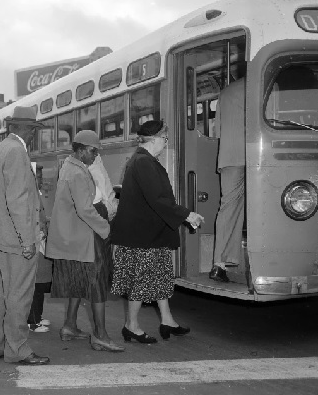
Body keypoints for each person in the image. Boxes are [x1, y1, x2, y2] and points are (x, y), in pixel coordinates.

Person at [111, 120, 204, 342]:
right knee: (141, 281)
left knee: (160, 276)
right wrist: (186, 214)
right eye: (164, 138)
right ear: (154, 139)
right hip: (142, 236)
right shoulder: (144, 162)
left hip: (147, 233)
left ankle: (167, 319)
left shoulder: (143, 160)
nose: (166, 143)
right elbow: (158, 199)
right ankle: (131, 325)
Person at [0, 106, 50, 365]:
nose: (33, 135)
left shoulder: (0, 149)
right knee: (19, 295)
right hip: (17, 236)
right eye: (32, 129)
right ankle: (17, 348)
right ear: (26, 128)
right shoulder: (18, 151)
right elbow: (18, 199)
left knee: (4, 293)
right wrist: (27, 239)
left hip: (3, 235)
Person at [46, 130, 124, 353]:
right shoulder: (78, 173)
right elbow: (85, 209)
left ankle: (70, 326)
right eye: (92, 151)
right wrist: (106, 230)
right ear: (80, 150)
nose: (95, 155)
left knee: (78, 283)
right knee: (97, 285)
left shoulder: (70, 167)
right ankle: (100, 335)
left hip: (75, 237)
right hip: (85, 236)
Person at [209, 77, 246, 283]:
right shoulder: (265, 81)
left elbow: (218, 131)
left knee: (228, 207)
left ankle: (219, 264)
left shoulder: (226, 92)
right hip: (254, 154)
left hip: (228, 156)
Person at [27, 165, 52, 333]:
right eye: (38, 177)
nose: (41, 181)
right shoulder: (29, 196)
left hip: (42, 245)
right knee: (36, 284)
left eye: (42, 177)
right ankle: (32, 321)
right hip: (36, 245)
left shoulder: (38, 194)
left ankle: (38, 316)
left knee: (42, 282)